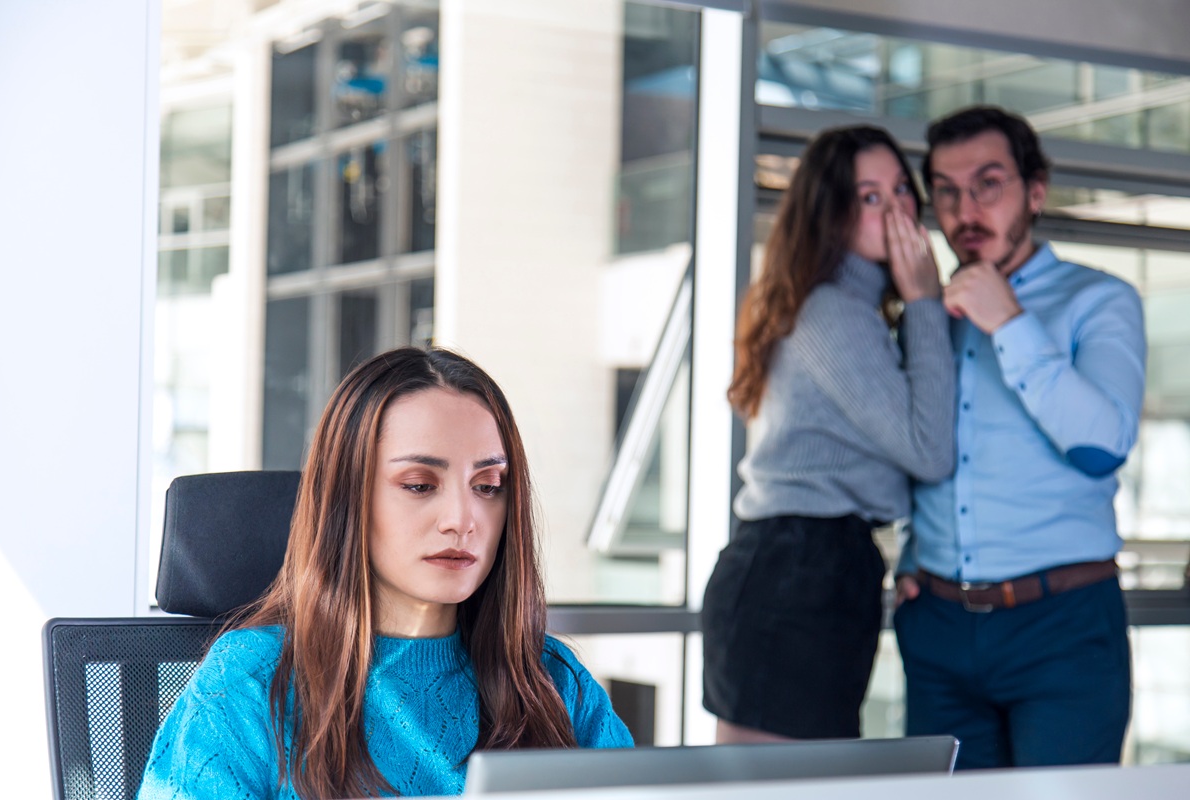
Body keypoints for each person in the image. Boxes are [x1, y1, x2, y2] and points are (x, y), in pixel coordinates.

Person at [138, 347, 633, 800]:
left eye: (487, 486)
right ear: (347, 502)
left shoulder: (551, 682)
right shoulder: (250, 682)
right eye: (419, 485)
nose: (462, 519)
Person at [895, 105, 1146, 769]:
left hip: (1061, 625)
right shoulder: (931, 316)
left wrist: (1008, 322)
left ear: (1035, 191)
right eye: (946, 190)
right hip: (940, 629)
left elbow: (1102, 445)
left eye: (989, 183)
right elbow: (923, 449)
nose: (965, 208)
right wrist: (909, 555)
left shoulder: (1100, 299)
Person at [701, 125, 956, 743]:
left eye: (901, 189)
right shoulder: (832, 311)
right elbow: (930, 450)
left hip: (805, 565)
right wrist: (924, 300)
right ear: (830, 210)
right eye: (869, 196)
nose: (896, 209)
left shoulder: (834, 304)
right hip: (799, 568)